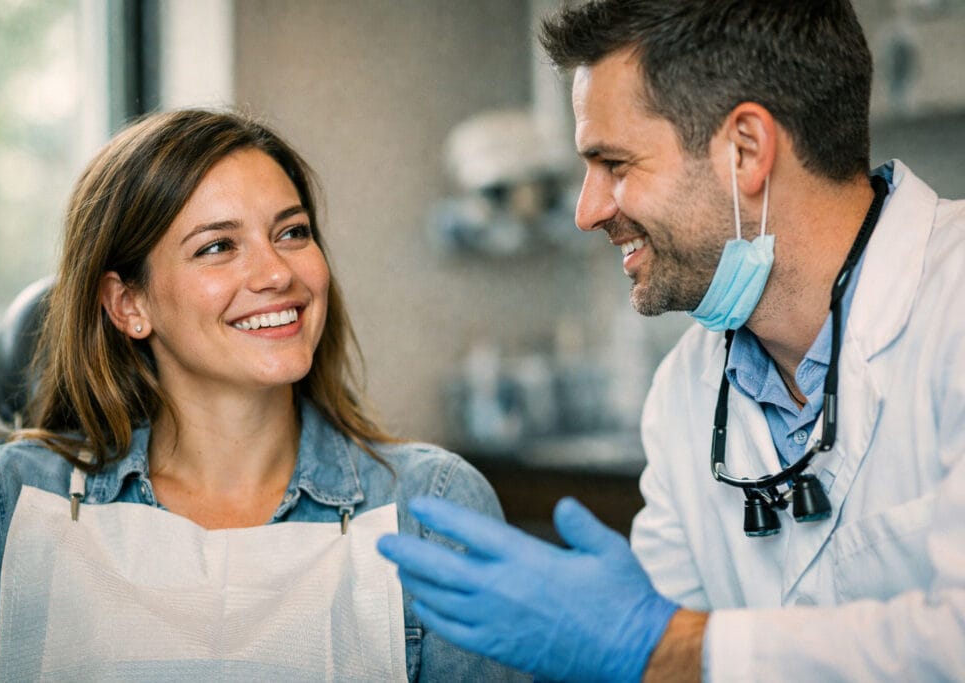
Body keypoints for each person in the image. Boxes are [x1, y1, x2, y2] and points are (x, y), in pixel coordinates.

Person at [377, 1, 965, 681]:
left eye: (615, 164)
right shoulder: (685, 392)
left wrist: (659, 644)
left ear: (745, 148)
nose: (587, 210)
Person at [0, 109, 528, 682]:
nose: (277, 273)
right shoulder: (2, 503)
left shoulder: (435, 507)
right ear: (129, 304)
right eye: (218, 247)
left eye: (292, 232)